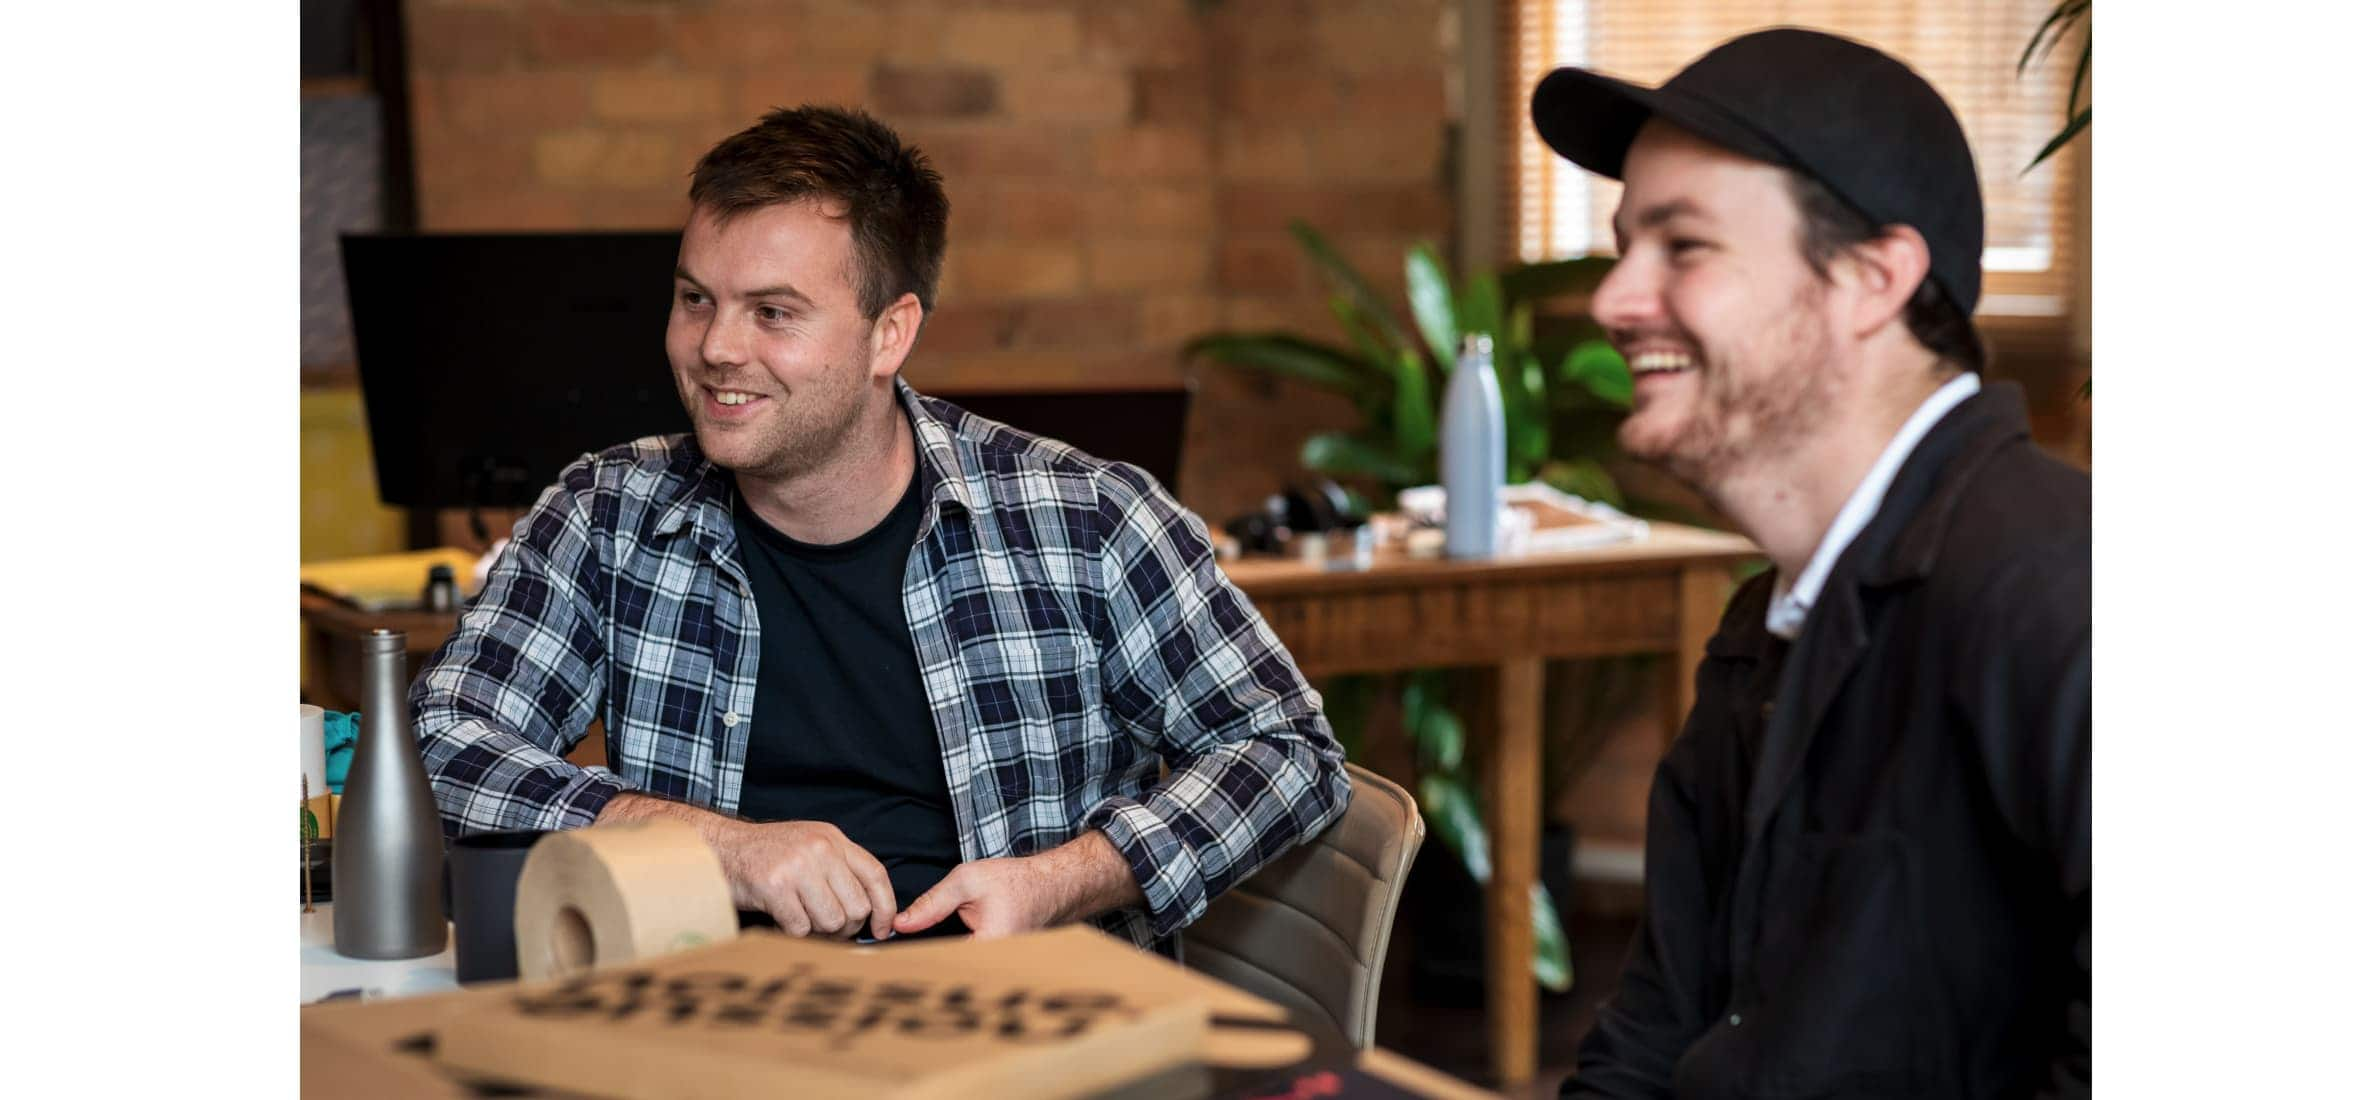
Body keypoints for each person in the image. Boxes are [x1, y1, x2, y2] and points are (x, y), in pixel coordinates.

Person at [409, 105, 1351, 953]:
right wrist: (709, 845)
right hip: (711, 1034)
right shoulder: (607, 514)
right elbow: (442, 740)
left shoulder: (1088, 518)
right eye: (696, 298)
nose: (715, 348)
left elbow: (1287, 752)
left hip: (1016, 1033)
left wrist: (1064, 881)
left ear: (890, 334)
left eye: (773, 313)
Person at [1531, 29, 2089, 1099]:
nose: (1612, 300)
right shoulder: (1763, 624)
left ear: (1871, 278)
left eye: (1682, 246)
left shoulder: (2059, 593)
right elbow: (1652, 1029)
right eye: (1623, 246)